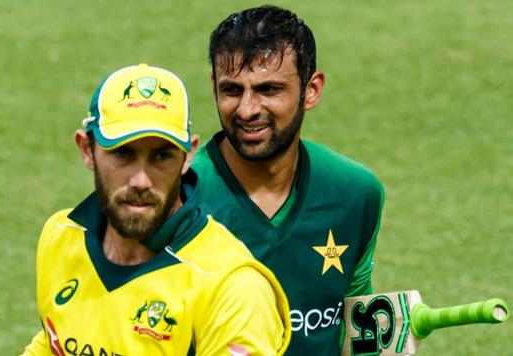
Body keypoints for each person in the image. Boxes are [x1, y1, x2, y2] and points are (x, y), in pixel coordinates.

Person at [21, 64, 291, 356]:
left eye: (162, 156)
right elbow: (53, 342)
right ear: (87, 149)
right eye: (123, 153)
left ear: (187, 156)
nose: (141, 180)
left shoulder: (232, 288)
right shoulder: (62, 237)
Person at [191, 6, 385, 355]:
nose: (247, 109)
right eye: (232, 90)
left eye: (269, 89)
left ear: (311, 90)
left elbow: (358, 331)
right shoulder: (179, 194)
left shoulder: (355, 193)